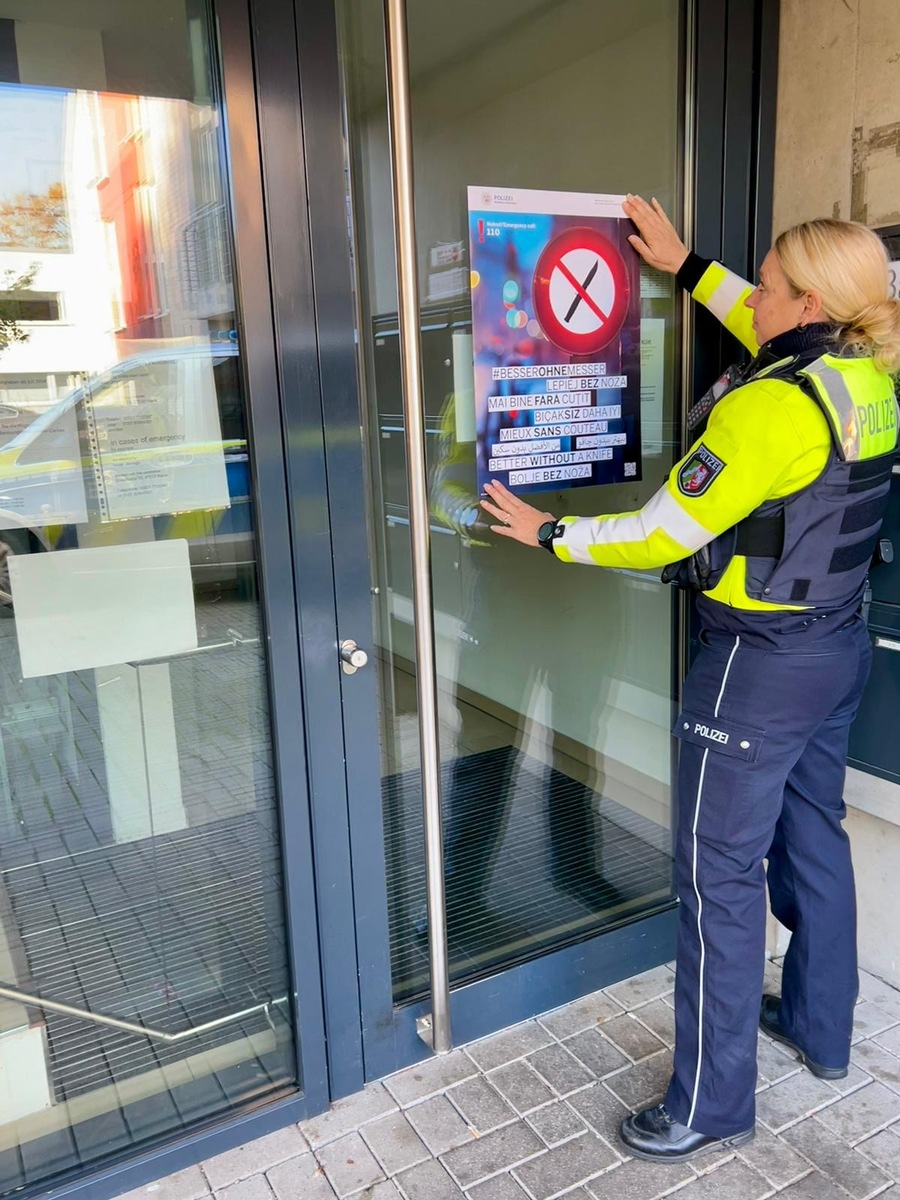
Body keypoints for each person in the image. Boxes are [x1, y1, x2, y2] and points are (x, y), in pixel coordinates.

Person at [480, 194, 900, 1162]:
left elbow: (657, 534)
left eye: (768, 282)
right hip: (838, 650)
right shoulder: (868, 375)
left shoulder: (765, 407)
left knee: (718, 880)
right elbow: (764, 314)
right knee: (814, 836)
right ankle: (820, 1026)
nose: (751, 296)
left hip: (755, 670)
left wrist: (549, 532)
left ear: (805, 302)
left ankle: (709, 1102)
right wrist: (686, 264)